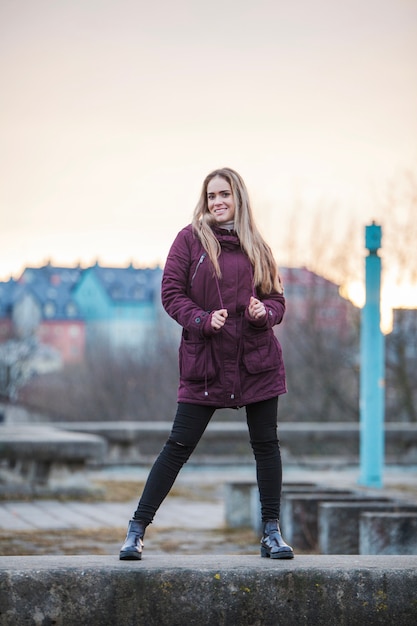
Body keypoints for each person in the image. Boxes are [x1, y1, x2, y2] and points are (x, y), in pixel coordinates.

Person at [119, 167, 294, 560]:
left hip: (256, 362)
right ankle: (136, 530)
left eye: (225, 195)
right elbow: (170, 293)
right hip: (207, 361)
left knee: (266, 445)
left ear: (239, 199)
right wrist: (200, 319)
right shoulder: (190, 240)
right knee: (177, 445)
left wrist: (261, 311)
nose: (217, 202)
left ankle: (271, 533)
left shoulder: (259, 246)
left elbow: (278, 301)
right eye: (212, 195)